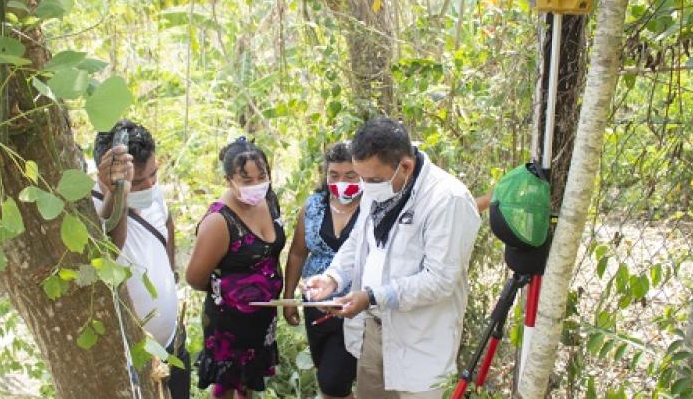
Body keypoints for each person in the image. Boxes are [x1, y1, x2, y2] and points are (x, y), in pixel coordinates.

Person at [307, 117, 482, 399]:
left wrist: (372, 296)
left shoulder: (447, 200)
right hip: (374, 332)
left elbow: (440, 280)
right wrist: (333, 276)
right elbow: (358, 241)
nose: (365, 186)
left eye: (372, 180)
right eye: (361, 177)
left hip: (420, 339)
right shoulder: (379, 185)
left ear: (405, 166)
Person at [92, 119, 190, 398]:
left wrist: (168, 276)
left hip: (172, 344)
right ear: (104, 172)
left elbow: (167, 225)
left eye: (153, 175)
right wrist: (118, 192)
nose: (148, 186)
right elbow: (109, 244)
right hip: (131, 358)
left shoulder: (155, 194)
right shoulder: (91, 204)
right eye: (137, 182)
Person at [185, 137, 284, 399]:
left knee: (248, 382)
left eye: (261, 176)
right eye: (246, 180)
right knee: (226, 387)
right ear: (229, 180)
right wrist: (234, 291)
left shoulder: (269, 199)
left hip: (263, 319)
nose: (256, 185)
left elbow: (271, 254)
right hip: (229, 322)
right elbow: (195, 277)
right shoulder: (219, 221)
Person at [283, 142, 361, 399]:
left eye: (350, 176)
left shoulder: (373, 209)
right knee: (328, 379)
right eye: (334, 175)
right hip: (315, 305)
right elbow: (297, 252)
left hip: (354, 308)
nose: (341, 182)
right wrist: (289, 297)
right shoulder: (314, 206)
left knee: (333, 382)